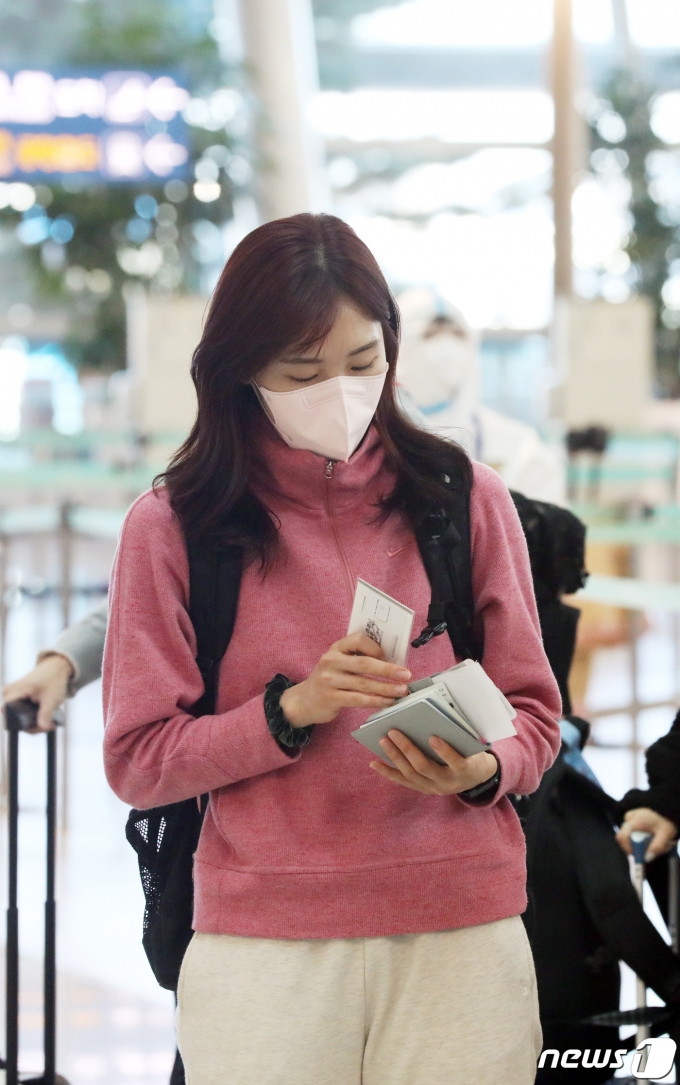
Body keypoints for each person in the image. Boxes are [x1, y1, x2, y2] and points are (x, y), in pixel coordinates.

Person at [101, 212, 560, 1085]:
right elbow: (137, 760)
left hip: (461, 928)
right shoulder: (172, 526)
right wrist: (290, 710)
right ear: (240, 371)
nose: (341, 391)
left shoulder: (467, 500)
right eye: (304, 372)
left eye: (363, 360)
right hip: (263, 945)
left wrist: (482, 769)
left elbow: (536, 718)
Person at [396, 287, 566, 506]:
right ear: (396, 348)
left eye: (457, 334)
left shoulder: (520, 449)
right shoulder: (375, 444)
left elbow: (547, 520)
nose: (446, 347)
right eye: (431, 334)